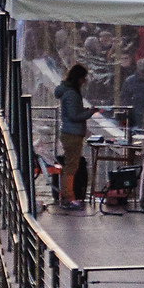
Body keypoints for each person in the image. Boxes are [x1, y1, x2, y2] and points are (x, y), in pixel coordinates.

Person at [54, 62, 91, 209]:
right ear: (78, 78)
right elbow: (74, 115)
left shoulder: (67, 92)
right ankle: (69, 197)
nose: (85, 81)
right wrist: (90, 112)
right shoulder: (72, 94)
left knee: (70, 165)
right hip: (73, 134)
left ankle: (67, 196)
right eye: (83, 78)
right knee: (71, 166)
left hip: (70, 132)